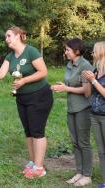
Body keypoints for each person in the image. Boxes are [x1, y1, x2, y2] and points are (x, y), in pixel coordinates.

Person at [0, 26, 53, 179]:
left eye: (9, 36)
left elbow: (43, 72)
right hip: (22, 98)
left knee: (37, 131)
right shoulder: (10, 56)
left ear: (19, 36)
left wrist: (24, 80)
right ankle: (33, 162)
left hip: (39, 96)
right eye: (6, 37)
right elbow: (0, 74)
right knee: (28, 131)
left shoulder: (31, 51)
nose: (6, 39)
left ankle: (39, 168)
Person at [51, 38, 93, 187]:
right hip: (71, 108)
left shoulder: (85, 65)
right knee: (75, 142)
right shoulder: (70, 64)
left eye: (68, 50)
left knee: (83, 142)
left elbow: (87, 92)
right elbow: (70, 83)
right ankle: (79, 172)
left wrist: (66, 89)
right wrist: (62, 86)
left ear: (76, 51)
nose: (65, 52)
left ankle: (87, 175)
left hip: (83, 109)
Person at [82, 41, 105, 188]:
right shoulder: (96, 71)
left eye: (94, 51)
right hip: (95, 115)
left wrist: (94, 81)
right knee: (101, 151)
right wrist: (87, 80)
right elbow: (88, 94)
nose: (92, 54)